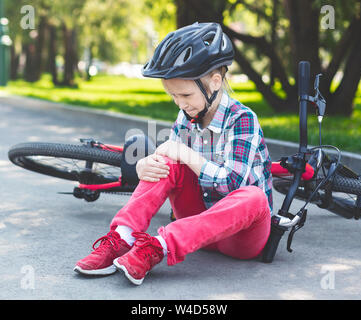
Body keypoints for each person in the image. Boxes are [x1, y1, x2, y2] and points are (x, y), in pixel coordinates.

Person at [74, 22, 273, 285]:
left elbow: (232, 183)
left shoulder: (242, 119)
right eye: (173, 97)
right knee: (167, 160)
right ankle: (123, 237)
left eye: (185, 94)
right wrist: (147, 166)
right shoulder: (186, 116)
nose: (180, 104)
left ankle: (158, 247)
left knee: (254, 198)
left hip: (239, 239)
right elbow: (172, 164)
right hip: (198, 228)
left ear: (214, 82)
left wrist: (185, 154)